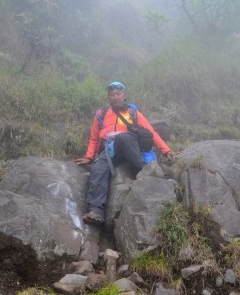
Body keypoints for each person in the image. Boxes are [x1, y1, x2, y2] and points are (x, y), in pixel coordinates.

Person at [75, 81, 176, 225]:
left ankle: (145, 170)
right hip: (110, 149)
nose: (115, 97)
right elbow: (94, 138)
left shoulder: (133, 113)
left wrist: (166, 151)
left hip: (128, 145)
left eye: (118, 94)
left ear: (124, 95)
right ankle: (96, 211)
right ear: (109, 97)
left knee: (124, 136)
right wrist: (89, 157)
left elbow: (151, 133)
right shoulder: (101, 114)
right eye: (112, 95)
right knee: (98, 168)